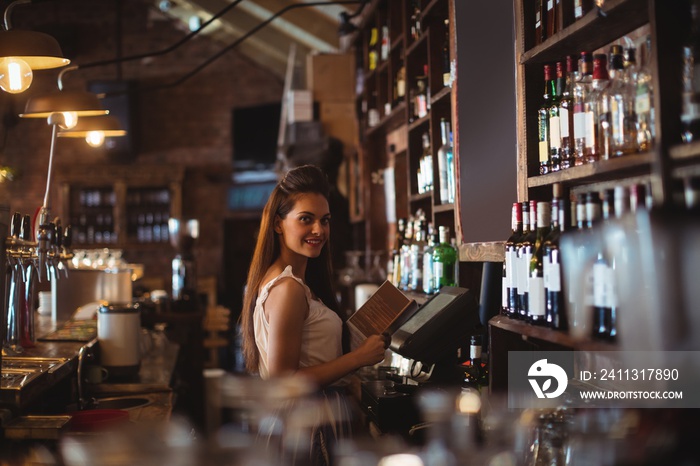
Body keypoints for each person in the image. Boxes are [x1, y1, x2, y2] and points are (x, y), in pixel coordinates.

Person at [239, 164, 388, 465]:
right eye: (306, 219)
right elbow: (285, 382)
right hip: (309, 426)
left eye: (325, 220)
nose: (319, 230)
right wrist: (359, 358)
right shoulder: (288, 288)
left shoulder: (283, 280)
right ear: (279, 224)